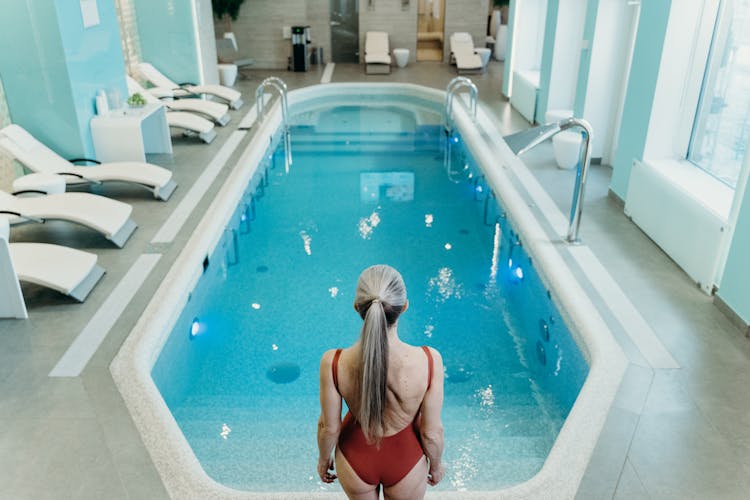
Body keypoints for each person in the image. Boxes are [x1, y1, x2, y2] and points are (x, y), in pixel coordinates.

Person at [317, 265, 445, 500]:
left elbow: (329, 427)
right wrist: (436, 465)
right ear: (404, 306)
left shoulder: (333, 362)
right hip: (405, 458)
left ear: (358, 308)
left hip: (355, 456)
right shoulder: (429, 360)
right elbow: (431, 432)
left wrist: (324, 459)